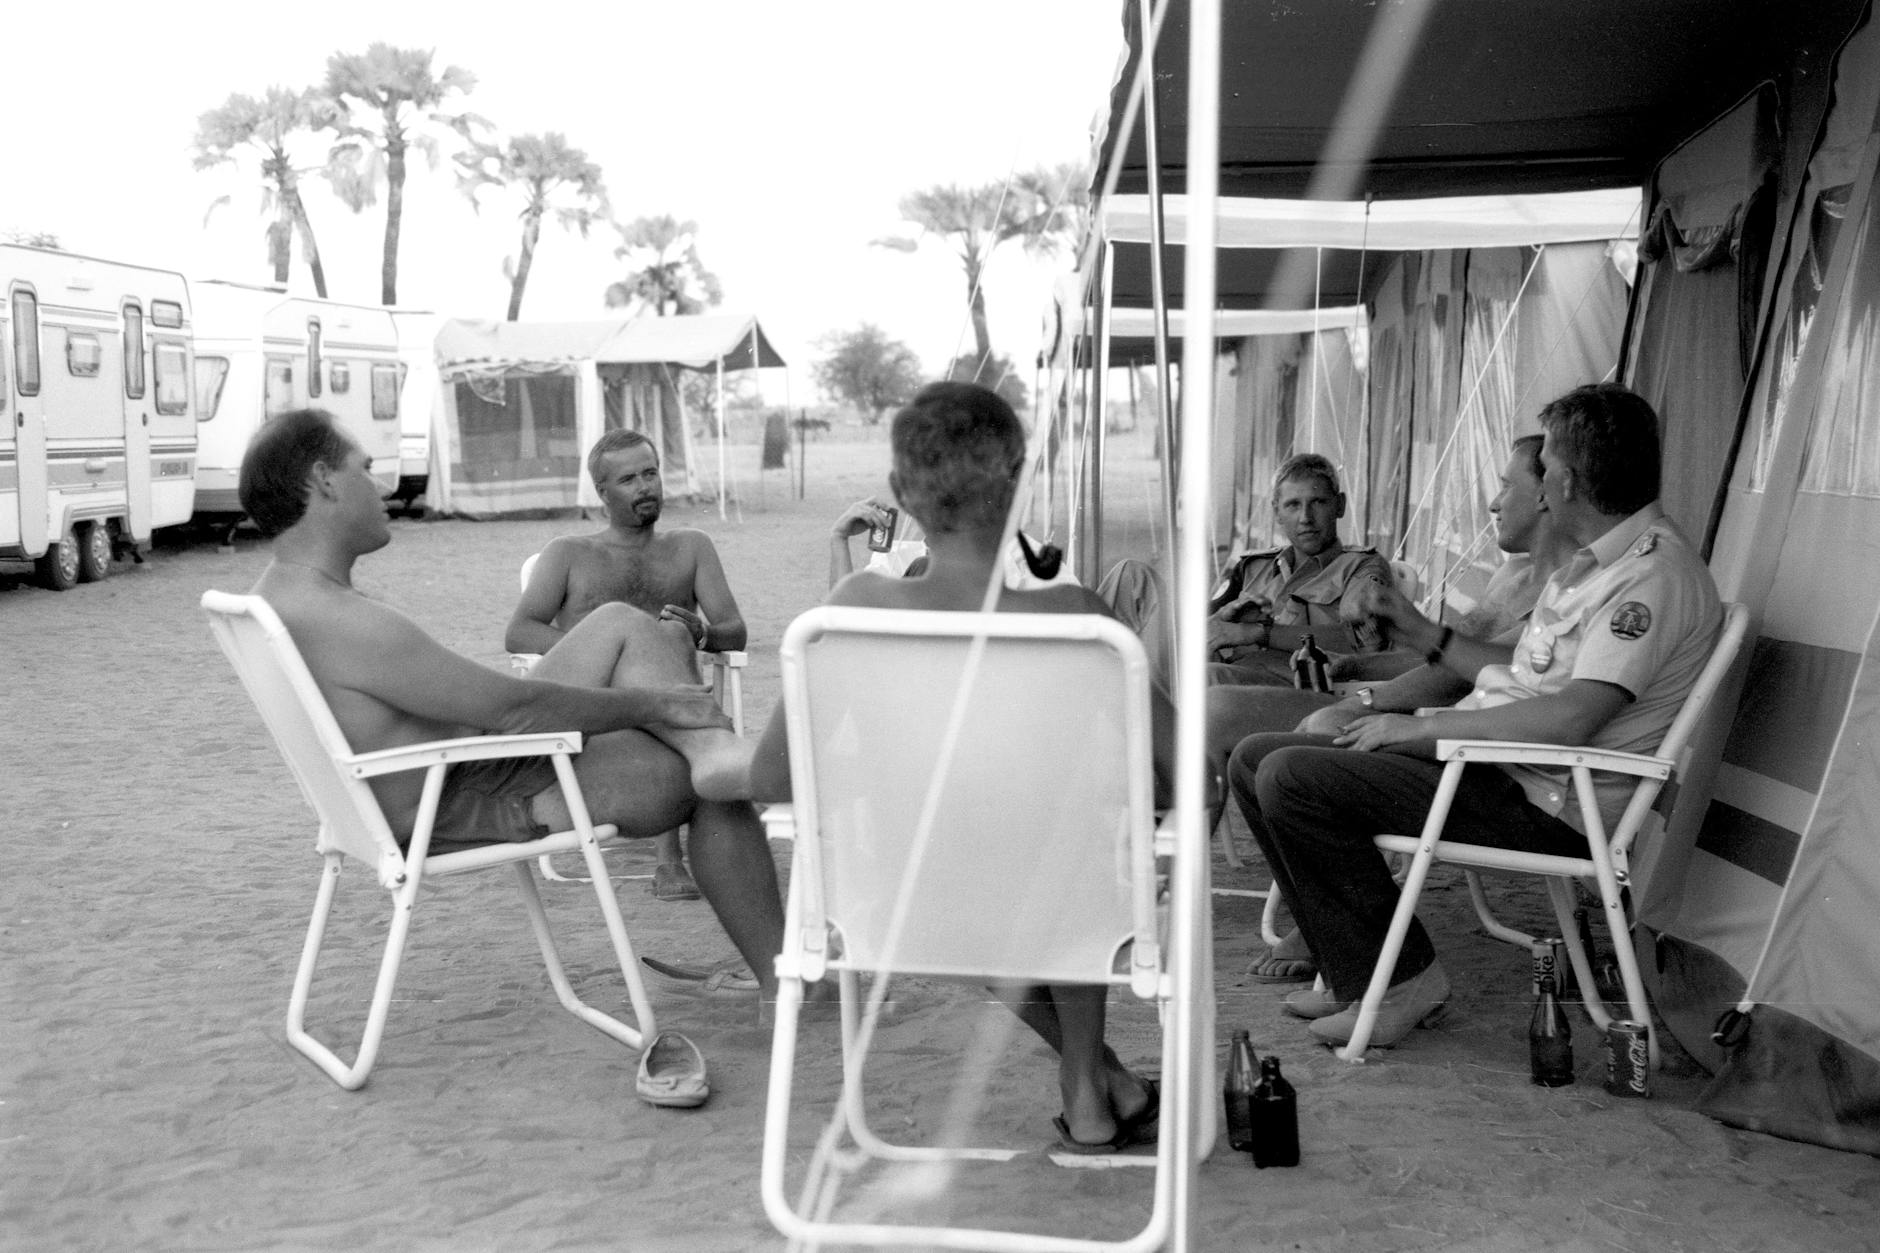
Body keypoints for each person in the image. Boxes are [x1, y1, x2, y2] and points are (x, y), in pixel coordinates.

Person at [1228, 384, 1721, 1048]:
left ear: (1567, 482)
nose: (1535, 486)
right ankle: (1349, 962)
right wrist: (1418, 630)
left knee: (1292, 775)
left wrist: (1424, 728)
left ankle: (1405, 980)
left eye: (1541, 468)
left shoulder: (1649, 579)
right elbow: (1518, 673)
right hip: (1503, 769)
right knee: (1253, 757)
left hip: (1544, 799)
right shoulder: (1592, 565)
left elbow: (1572, 718)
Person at [747, 382, 1170, 1154]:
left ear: (904, 493)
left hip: (902, 903)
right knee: (1065, 844)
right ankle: (1090, 1083)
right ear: (1017, 483)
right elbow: (1189, 777)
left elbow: (770, 782)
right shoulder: (1082, 621)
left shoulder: (847, 612)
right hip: (1069, 895)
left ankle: (1097, 1083)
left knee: (996, 856)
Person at [240, 408, 785, 999]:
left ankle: (714, 748)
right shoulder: (346, 622)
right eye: (365, 470)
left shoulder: (278, 595)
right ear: (324, 480)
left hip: (436, 774)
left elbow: (491, 703)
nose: (382, 487)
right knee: (700, 784)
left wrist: (650, 705)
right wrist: (655, 707)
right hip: (455, 801)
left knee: (618, 623)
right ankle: (785, 982)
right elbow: (511, 711)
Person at [1218, 435, 1573, 983]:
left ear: (1552, 491)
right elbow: (1433, 664)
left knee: (1273, 752)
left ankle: (1392, 973)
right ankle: (1330, 932)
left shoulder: (1581, 587)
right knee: (1245, 741)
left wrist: (1374, 703)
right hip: (1447, 735)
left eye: (1507, 486)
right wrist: (1354, 675)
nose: (1494, 502)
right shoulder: (1518, 577)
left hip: (1496, 767)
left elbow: (1467, 676)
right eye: (1291, 505)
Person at [507, 429, 748, 903]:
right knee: (643, 640)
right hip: (599, 712)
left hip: (671, 704)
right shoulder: (569, 554)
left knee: (675, 633)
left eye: (651, 473)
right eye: (629, 479)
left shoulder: (690, 547)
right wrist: (608, 657)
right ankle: (673, 855)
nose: (645, 487)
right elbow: (521, 631)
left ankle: (672, 854)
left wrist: (702, 633)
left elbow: (733, 631)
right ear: (602, 493)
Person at [1204, 453, 1394, 686]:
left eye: (1318, 502)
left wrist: (1257, 632)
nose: (1306, 518)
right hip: (1239, 679)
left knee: (1205, 681)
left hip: (1307, 689)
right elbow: (1205, 630)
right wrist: (1224, 619)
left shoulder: (1360, 567)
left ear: (1340, 505)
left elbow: (1365, 644)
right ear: (1277, 513)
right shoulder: (1254, 567)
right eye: (1293, 505)